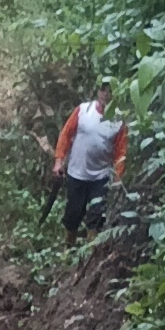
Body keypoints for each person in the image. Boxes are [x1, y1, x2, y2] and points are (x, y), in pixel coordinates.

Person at [52, 88, 128, 241]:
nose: (105, 94)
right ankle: (68, 247)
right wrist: (59, 160)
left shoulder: (118, 119)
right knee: (73, 215)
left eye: (109, 90)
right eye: (103, 89)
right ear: (98, 91)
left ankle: (91, 250)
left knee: (96, 217)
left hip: (101, 177)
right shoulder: (83, 111)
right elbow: (66, 134)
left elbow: (121, 152)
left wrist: (118, 177)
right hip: (77, 173)